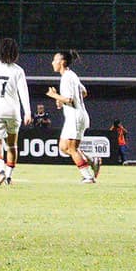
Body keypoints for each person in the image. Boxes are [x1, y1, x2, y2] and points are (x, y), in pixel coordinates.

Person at [0, 38, 29, 186]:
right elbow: (23, 93)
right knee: (12, 145)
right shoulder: (18, 70)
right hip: (13, 112)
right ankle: (8, 176)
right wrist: (27, 112)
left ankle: (1, 171)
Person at [50, 50, 97, 183]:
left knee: (71, 148)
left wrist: (55, 96)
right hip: (75, 116)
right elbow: (84, 92)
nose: (53, 62)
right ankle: (91, 160)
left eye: (55, 60)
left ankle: (88, 176)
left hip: (75, 117)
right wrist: (61, 100)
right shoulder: (71, 75)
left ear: (62, 62)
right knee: (63, 147)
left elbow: (70, 99)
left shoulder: (67, 77)